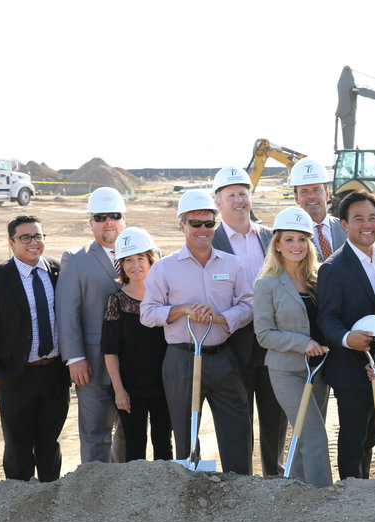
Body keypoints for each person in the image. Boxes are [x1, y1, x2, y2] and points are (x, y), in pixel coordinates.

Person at [140, 189, 253, 474]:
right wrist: (183, 309)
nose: (203, 229)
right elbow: (148, 313)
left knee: (238, 429)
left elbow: (249, 304)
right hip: (182, 359)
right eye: (195, 223)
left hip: (224, 358)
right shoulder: (164, 269)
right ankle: (192, 494)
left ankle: (239, 492)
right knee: (186, 433)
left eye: (208, 223)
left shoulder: (231, 264)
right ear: (182, 225)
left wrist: (221, 318)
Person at [0, 216, 70, 481]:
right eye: (25, 237)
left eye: (37, 236)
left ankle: (51, 498)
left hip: (54, 375)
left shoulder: (57, 271)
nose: (33, 242)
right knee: (18, 448)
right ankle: (18, 503)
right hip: (15, 377)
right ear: (11, 242)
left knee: (50, 444)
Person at [211, 166, 286, 476]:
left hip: (273, 345)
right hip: (232, 346)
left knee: (275, 419)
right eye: (231, 196)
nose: (239, 201)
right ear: (218, 202)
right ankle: (238, 484)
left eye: (243, 194)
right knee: (236, 422)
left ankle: (274, 479)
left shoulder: (271, 237)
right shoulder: (209, 240)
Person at [253, 207, 332, 486]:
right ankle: (324, 498)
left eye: (301, 239)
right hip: (286, 371)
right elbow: (264, 335)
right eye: (289, 239)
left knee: (302, 437)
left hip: (319, 369)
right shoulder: (267, 285)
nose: (296, 245)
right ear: (277, 244)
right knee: (314, 435)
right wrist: (303, 343)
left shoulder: (319, 279)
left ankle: (296, 496)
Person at [316, 189, 375, 479]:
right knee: (353, 434)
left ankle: (364, 490)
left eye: (372, 217)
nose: (367, 224)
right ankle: (350, 492)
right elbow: (327, 317)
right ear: (344, 225)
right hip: (350, 365)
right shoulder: (333, 268)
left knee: (371, 432)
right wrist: (348, 338)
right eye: (358, 218)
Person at [55, 187, 126, 463]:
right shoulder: (76, 258)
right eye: (100, 216)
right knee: (96, 432)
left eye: (114, 215)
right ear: (91, 222)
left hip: (135, 360)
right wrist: (75, 357)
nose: (108, 221)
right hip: (93, 364)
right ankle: (96, 496)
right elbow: (67, 311)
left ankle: (127, 487)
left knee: (130, 432)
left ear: (124, 219)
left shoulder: (147, 251)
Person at [101, 227, 172, 462]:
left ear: (151, 259)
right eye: (128, 260)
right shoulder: (116, 301)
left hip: (164, 386)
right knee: (134, 449)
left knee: (164, 446)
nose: (135, 266)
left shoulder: (168, 297)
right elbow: (110, 351)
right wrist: (119, 390)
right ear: (121, 265)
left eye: (140, 258)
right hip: (131, 389)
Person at [290, 157, 345, 422]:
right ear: (296, 197)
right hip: (311, 336)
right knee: (310, 417)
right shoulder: (288, 237)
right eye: (304, 191)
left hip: (347, 331)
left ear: (327, 192)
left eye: (316, 189)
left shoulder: (345, 227)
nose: (312, 197)